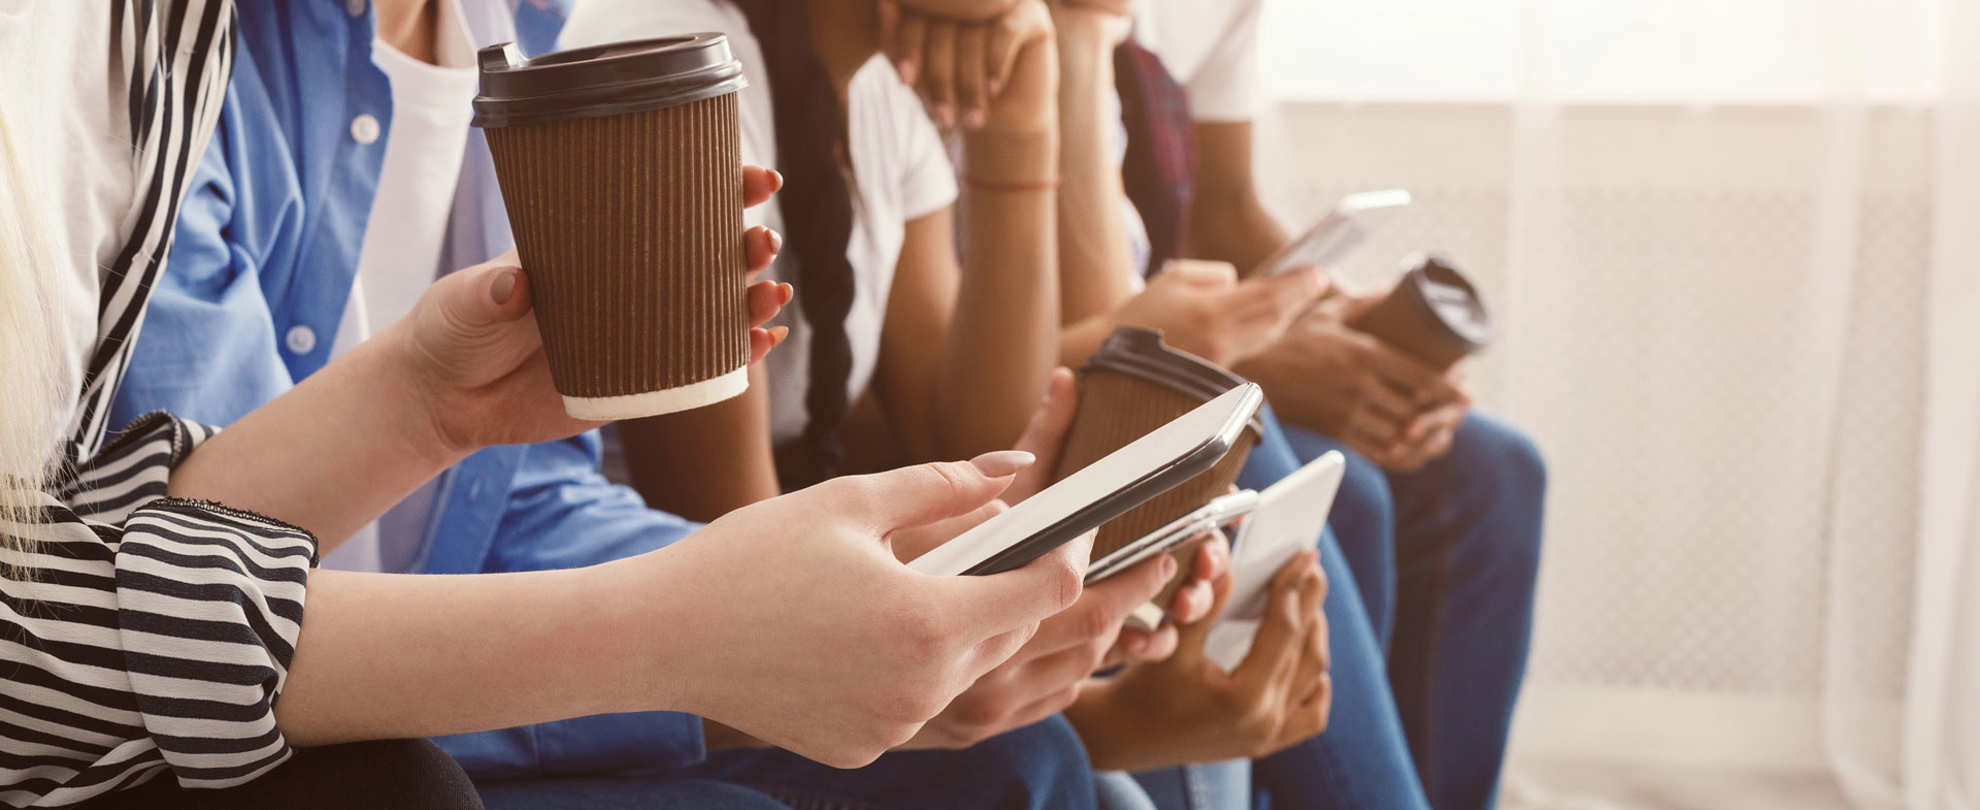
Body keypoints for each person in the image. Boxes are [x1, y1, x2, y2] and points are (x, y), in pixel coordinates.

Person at [11, 2, 1100, 809]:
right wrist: (701, 643)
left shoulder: (529, 33)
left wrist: (432, 404)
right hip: (301, 733)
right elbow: (120, 624)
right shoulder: (121, 56)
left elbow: (170, 549)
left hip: (338, 687)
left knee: (1021, 762)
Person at [1049, 1, 1549, 808]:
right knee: (1345, 488)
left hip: (1184, 318)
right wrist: (1259, 351)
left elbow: (1226, 209)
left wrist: (1339, 321)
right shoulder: (1027, 35)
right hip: (1125, 341)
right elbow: (1102, 320)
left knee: (1494, 470)